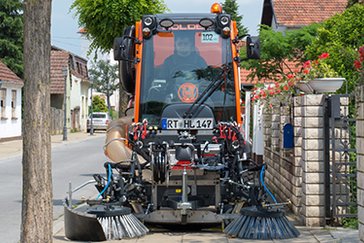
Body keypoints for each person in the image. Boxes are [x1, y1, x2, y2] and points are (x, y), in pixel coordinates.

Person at [155, 32, 207, 103]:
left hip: (197, 96)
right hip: (173, 97)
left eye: (185, 44)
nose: (183, 46)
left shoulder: (200, 61)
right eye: (180, 44)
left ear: (191, 45)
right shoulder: (169, 62)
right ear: (175, 45)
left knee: (209, 102)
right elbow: (162, 79)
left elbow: (206, 80)